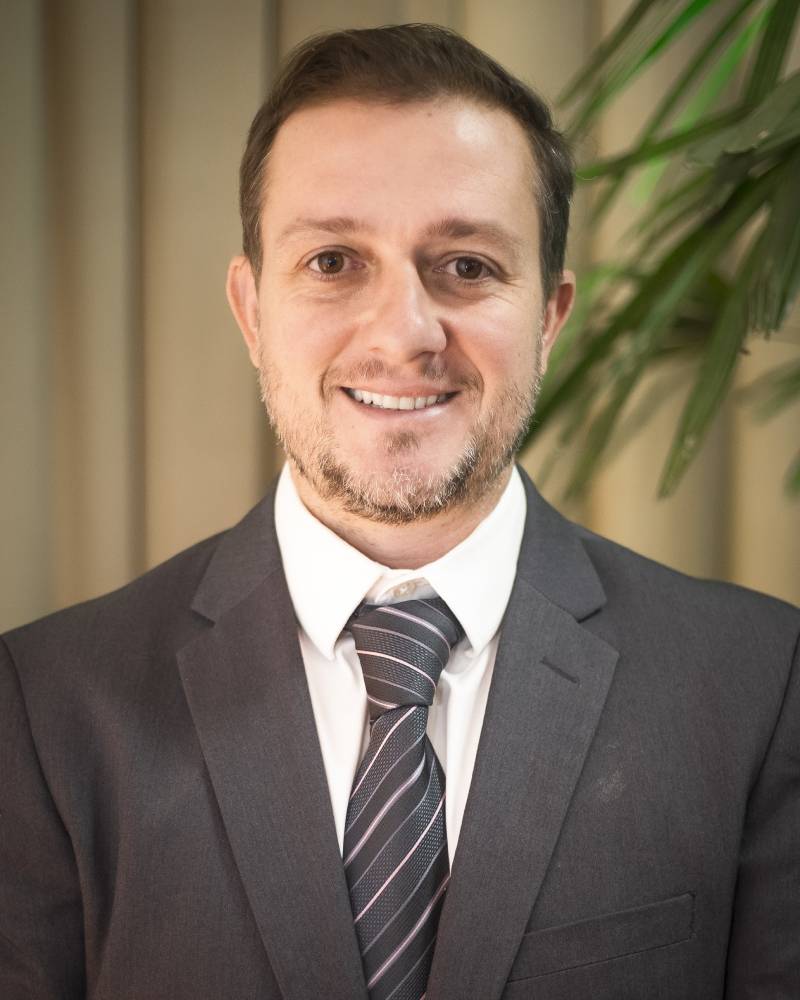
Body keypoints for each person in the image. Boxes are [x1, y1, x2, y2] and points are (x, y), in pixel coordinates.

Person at [1, 23, 798, 1000]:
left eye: (465, 265)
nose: (403, 333)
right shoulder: (42, 706)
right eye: (334, 261)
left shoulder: (761, 686)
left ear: (549, 317)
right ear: (252, 311)